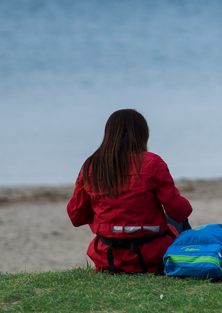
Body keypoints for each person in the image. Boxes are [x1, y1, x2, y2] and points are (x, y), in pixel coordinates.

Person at [67, 109, 192, 274]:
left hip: (108, 258)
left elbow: (76, 217)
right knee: (176, 219)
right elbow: (180, 211)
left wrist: (107, 216)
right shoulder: (152, 163)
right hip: (150, 256)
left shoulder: (92, 165)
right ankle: (193, 260)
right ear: (142, 134)